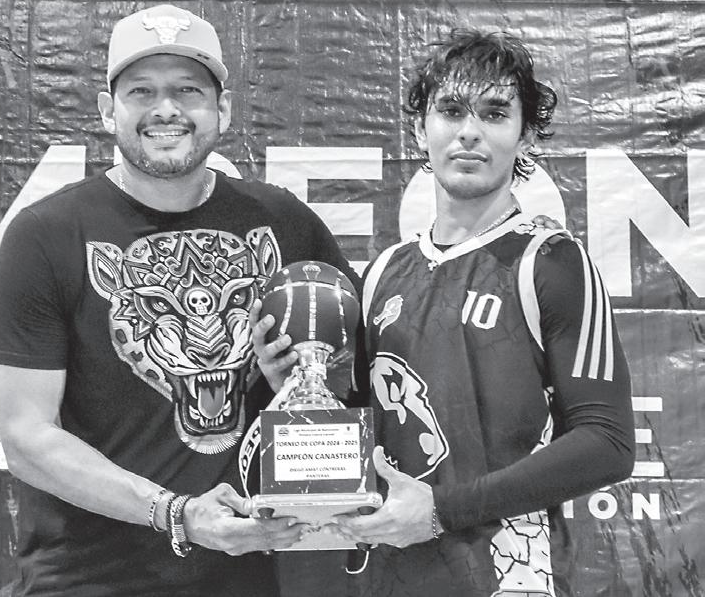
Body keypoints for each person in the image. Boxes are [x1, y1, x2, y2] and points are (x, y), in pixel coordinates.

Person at [0, 4, 355, 597]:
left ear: (222, 110)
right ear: (107, 109)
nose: (166, 109)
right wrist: (177, 514)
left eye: (187, 90)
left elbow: (350, 382)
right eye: (141, 91)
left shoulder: (283, 222)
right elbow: (27, 439)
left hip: (251, 575)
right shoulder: (46, 235)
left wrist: (299, 381)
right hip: (89, 577)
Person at [253, 30, 634, 596]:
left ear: (526, 136)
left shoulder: (551, 261)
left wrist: (440, 511)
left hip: (510, 575)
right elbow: (368, 427)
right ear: (419, 129)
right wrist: (296, 390)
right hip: (393, 576)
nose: (469, 132)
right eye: (451, 111)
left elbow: (608, 443)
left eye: (495, 113)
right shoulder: (384, 272)